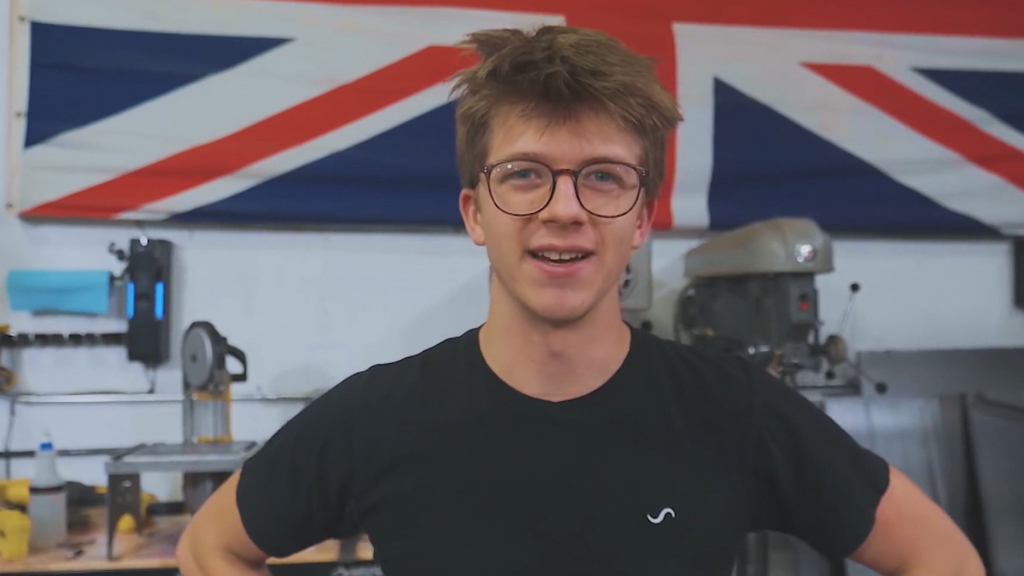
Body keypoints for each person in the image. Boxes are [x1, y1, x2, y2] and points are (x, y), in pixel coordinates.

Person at [176, 25, 985, 576]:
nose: (563, 208)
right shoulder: (376, 418)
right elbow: (210, 548)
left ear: (641, 219)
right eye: (525, 174)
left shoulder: (732, 413)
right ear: (475, 215)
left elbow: (941, 556)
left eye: (602, 176)